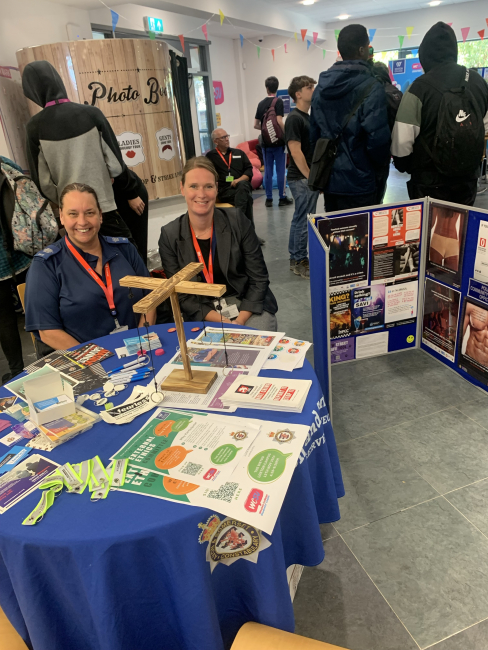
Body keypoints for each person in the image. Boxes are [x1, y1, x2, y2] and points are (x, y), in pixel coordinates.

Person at [22, 61, 146, 250]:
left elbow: (43, 184)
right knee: (127, 259)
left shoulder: (34, 128)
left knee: (85, 267)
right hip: (103, 206)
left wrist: (65, 198)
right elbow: (115, 164)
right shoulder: (92, 114)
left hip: (72, 215)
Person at [25, 183, 156, 350]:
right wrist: (97, 360)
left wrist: (141, 344)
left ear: (100, 216)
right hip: (84, 360)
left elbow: (151, 299)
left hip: (138, 351)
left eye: (90, 213)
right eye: (73, 214)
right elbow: (48, 331)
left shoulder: (125, 249)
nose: (82, 221)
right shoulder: (45, 265)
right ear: (62, 217)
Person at [158, 157, 278, 330]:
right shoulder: (169, 235)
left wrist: (240, 322)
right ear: (182, 188)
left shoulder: (237, 221)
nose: (201, 194)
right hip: (203, 310)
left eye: (208, 186)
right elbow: (183, 295)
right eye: (193, 186)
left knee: (255, 342)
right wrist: (223, 322)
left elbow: (258, 279)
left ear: (216, 188)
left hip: (245, 303)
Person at [392, 22, 488, 206]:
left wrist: (403, 165)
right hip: (467, 180)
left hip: (429, 182)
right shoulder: (478, 83)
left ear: (425, 54)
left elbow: (402, 141)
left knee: (428, 231)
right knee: (460, 230)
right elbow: (483, 127)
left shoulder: (419, 87)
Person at [310, 24, 391, 212]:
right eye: (368, 47)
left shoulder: (321, 88)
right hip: (361, 183)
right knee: (362, 237)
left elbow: (314, 135)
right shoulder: (372, 87)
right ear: (362, 50)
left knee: (335, 237)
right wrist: (377, 172)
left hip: (330, 180)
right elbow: (377, 141)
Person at [0, 157, 31, 383]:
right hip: (24, 248)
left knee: (4, 320)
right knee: (39, 308)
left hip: (11, 257)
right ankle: (52, 358)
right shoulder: (6, 165)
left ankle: (17, 373)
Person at [285, 75, 319, 279]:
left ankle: (297, 258)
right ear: (298, 94)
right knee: (303, 219)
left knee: (304, 218)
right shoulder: (295, 118)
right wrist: (310, 176)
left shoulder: (307, 117)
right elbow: (295, 151)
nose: (313, 90)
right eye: (309, 87)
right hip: (300, 178)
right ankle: (298, 260)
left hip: (307, 178)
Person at [254, 76, 293, 207]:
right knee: (281, 170)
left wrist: (266, 130)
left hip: (265, 144)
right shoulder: (278, 102)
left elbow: (255, 125)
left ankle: (269, 199)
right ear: (277, 87)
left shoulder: (260, 103)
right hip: (279, 144)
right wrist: (286, 134)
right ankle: (282, 197)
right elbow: (280, 121)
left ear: (266, 88)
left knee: (268, 171)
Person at [205, 128, 254, 224]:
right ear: (216, 141)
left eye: (227, 136)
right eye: (223, 137)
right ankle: (248, 232)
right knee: (247, 198)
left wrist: (238, 180)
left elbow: (249, 170)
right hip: (225, 190)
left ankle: (239, 225)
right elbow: (207, 176)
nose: (227, 139)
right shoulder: (210, 157)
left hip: (241, 187)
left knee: (243, 186)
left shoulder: (239, 153)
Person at [372, 61, 403, 203]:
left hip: (373, 149)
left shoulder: (372, 92)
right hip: (388, 149)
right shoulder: (396, 92)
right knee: (381, 188)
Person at [114, 169, 149, 265]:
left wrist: (131, 192)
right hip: (104, 196)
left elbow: (115, 163)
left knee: (135, 251)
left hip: (126, 193)